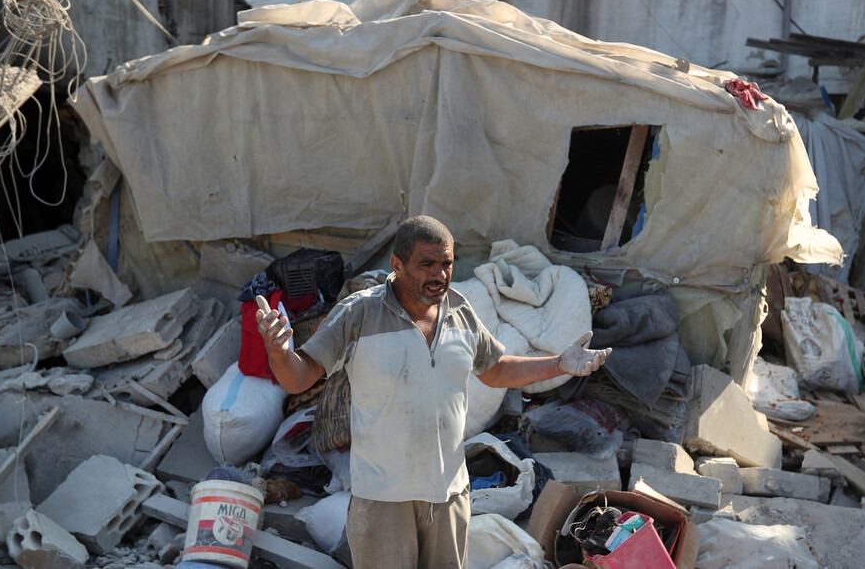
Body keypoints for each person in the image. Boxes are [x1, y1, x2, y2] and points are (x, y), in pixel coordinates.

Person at [255, 215, 610, 569]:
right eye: (427, 264)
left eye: (446, 263)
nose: (440, 274)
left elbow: (496, 369)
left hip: (448, 498)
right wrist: (279, 352)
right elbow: (298, 378)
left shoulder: (460, 312)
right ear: (397, 265)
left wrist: (560, 363)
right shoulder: (358, 314)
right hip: (383, 501)